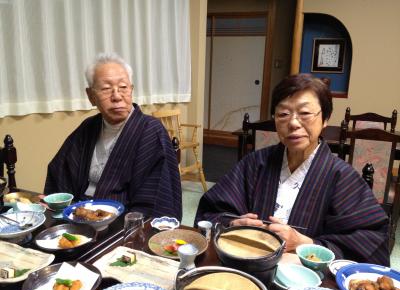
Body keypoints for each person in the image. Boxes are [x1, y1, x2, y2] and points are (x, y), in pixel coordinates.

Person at [195, 73, 389, 265]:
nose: (294, 123)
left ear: (325, 119)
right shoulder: (256, 162)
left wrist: (304, 243)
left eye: (305, 113)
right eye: (283, 114)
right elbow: (211, 210)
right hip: (248, 265)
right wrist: (233, 224)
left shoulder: (341, 177)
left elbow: (371, 241)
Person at [44, 53, 182, 220]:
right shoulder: (88, 127)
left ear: (131, 90)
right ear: (91, 96)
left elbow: (154, 198)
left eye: (123, 87)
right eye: (106, 88)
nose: (117, 96)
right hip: (78, 217)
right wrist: (57, 205)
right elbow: (60, 172)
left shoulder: (150, 131)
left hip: (122, 225)